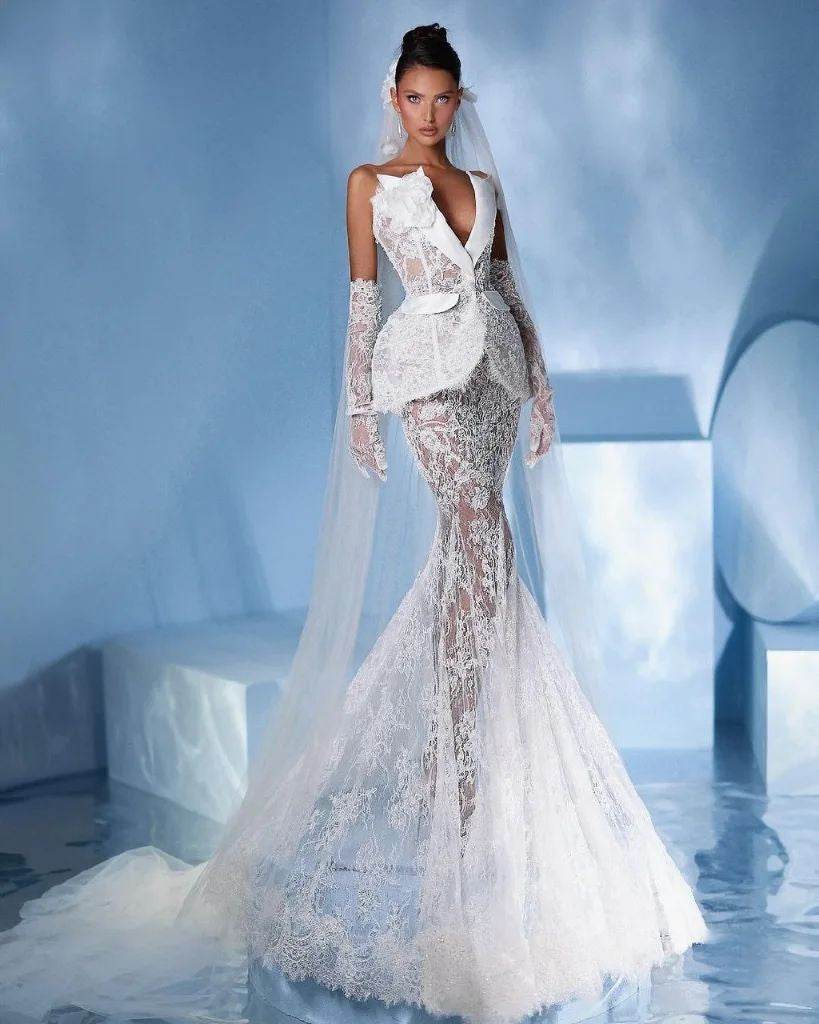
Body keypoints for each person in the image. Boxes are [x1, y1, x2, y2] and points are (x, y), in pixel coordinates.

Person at [0, 23, 708, 1024]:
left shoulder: (486, 188)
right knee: (476, 539)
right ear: (394, 97)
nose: (429, 114)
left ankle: (464, 757)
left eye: (443, 99)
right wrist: (362, 412)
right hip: (424, 385)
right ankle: (462, 771)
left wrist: (542, 386)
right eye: (415, 98)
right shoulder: (369, 185)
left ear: (459, 100)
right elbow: (364, 303)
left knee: (484, 556)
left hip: (494, 385)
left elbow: (507, 289)